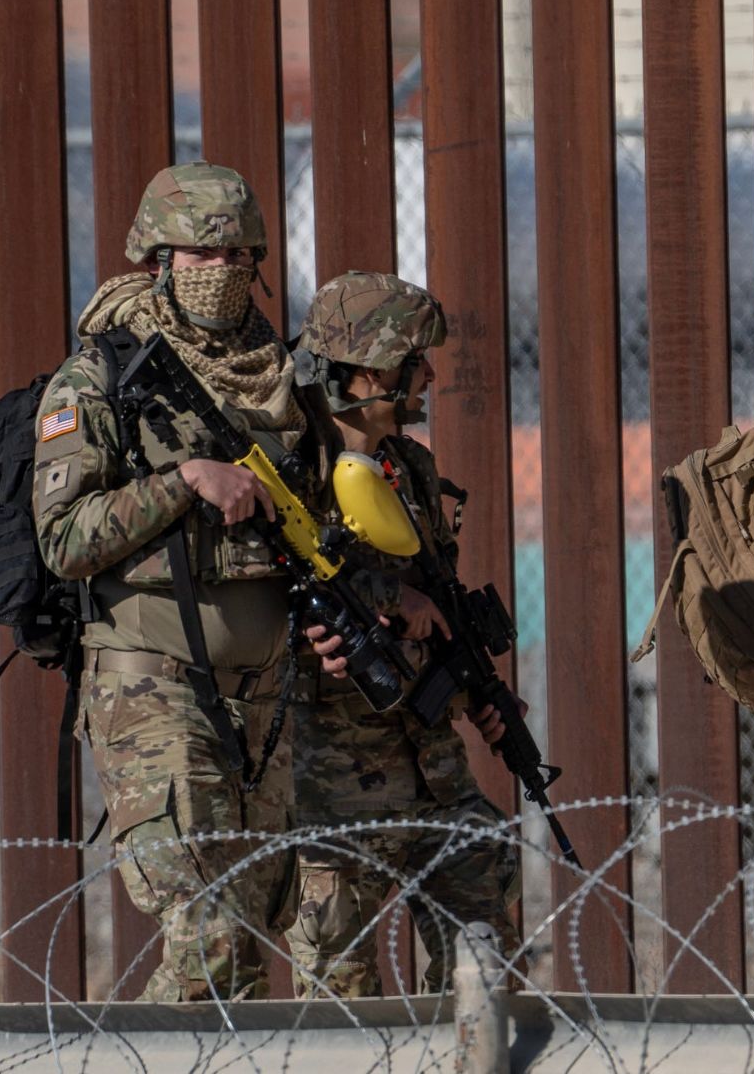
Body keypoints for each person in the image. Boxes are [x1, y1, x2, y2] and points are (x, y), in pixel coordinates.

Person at [31, 161, 303, 1001]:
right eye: (197, 253)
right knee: (209, 936)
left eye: (235, 255)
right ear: (157, 257)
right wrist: (183, 481)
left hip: (266, 693)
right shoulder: (98, 380)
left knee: (251, 940)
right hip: (152, 686)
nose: (219, 270)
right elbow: (65, 537)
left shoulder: (284, 378)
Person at [282, 270, 522, 998]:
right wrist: (389, 595)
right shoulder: (293, 470)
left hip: (435, 773)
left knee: (484, 978)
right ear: (367, 370)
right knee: (339, 1010)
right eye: (414, 360)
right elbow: (278, 588)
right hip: (337, 784)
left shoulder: (409, 468)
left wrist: (477, 690)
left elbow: (438, 599)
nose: (430, 374)